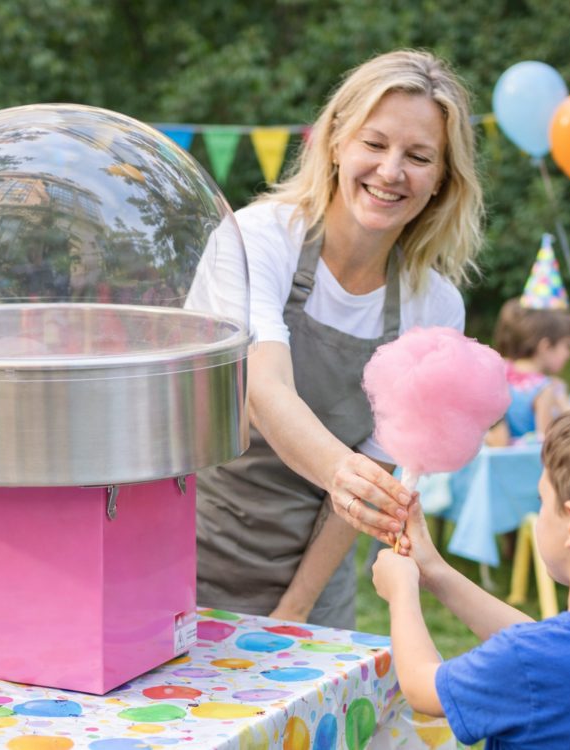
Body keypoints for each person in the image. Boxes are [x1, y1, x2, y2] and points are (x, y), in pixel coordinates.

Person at [194, 49, 483, 628]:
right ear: (334, 143)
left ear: (442, 180)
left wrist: (295, 610)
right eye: (374, 144)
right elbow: (263, 388)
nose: (391, 171)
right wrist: (343, 473)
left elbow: (377, 470)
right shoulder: (255, 240)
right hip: (187, 552)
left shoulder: (435, 307)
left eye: (418, 156)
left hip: (312, 581)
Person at [372, 398, 570, 749]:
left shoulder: (529, 663)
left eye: (541, 500)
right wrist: (435, 571)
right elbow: (548, 642)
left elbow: (423, 688)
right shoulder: (551, 655)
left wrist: (401, 592)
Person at [487, 298, 570, 445]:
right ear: (546, 347)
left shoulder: (500, 370)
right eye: (566, 346)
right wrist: (561, 398)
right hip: (525, 458)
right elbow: (545, 444)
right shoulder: (544, 388)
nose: (569, 354)